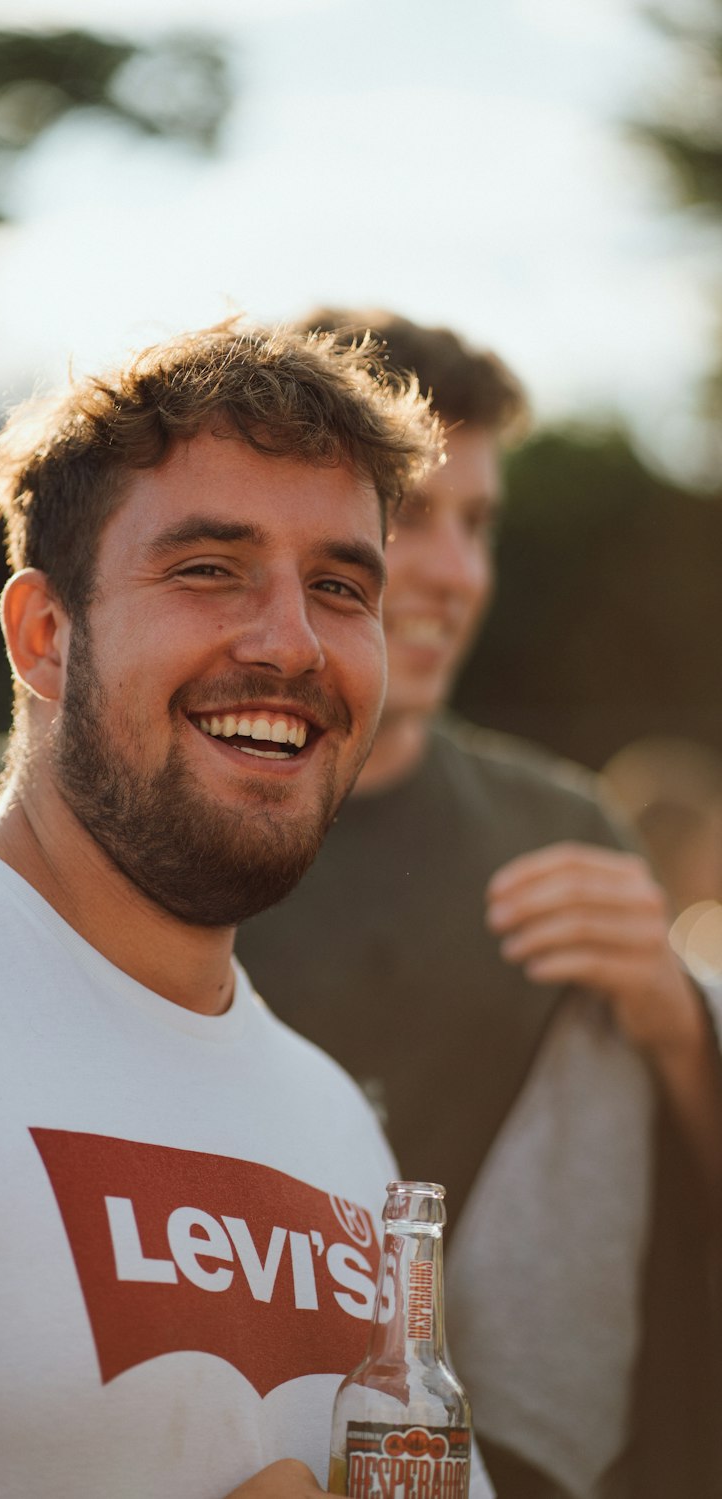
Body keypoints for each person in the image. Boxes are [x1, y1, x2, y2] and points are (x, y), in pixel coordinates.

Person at [0, 323, 497, 1499]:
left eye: (340, 587)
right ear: (44, 635)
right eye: (207, 568)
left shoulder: (339, 1128)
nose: (290, 641)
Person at [237, 310, 722, 1499]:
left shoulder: (561, 829)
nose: (456, 572)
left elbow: (670, 1238)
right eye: (413, 517)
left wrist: (672, 1017)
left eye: (480, 523)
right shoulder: (131, 797)